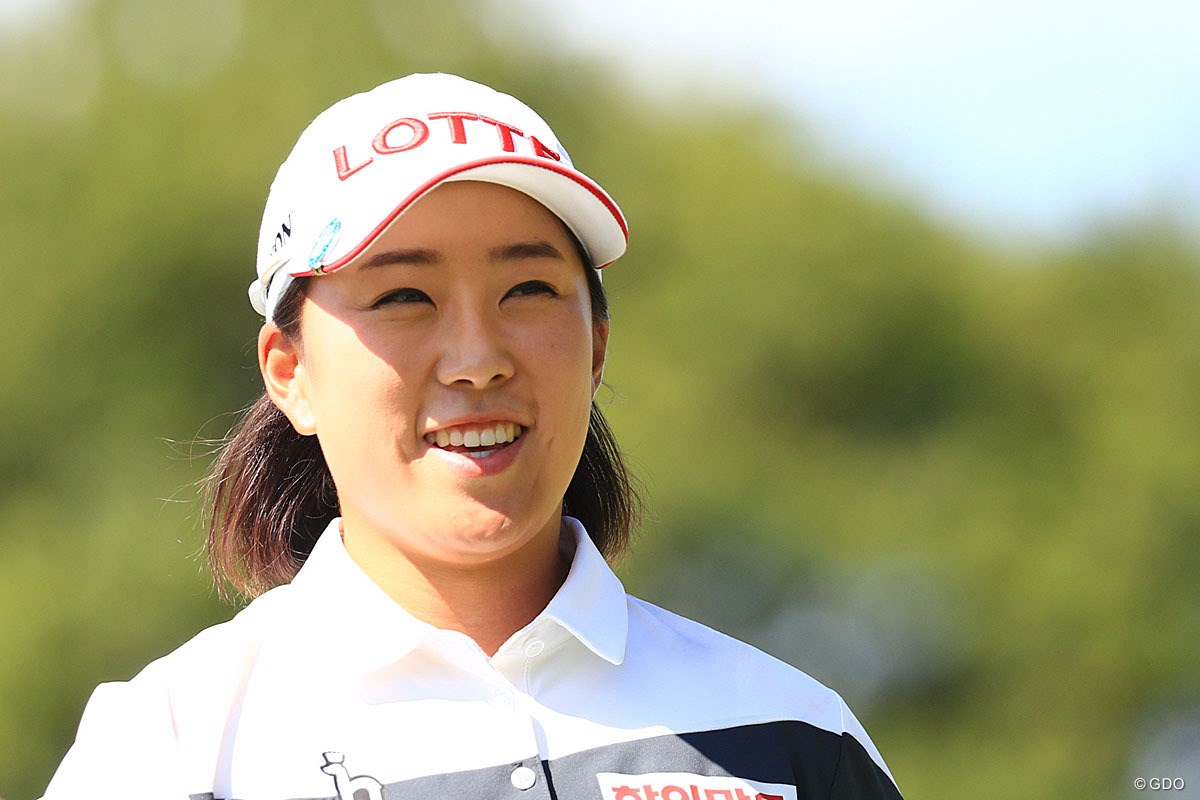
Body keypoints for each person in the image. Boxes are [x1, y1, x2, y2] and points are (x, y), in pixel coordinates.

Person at [41, 73, 902, 800]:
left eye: (527, 289)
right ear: (289, 371)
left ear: (597, 346)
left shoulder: (792, 735)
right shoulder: (170, 751)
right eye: (403, 297)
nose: (478, 360)